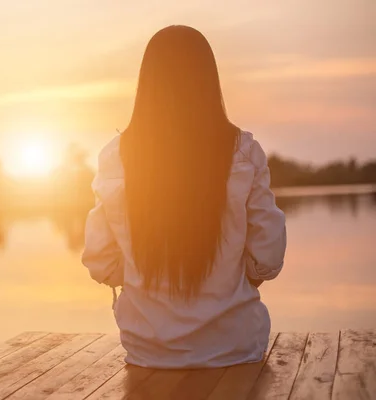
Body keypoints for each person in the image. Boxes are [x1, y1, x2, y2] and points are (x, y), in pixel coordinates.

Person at [81, 25, 286, 368]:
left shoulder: (115, 157)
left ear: (146, 84)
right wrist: (235, 278)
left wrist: (140, 278)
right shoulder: (244, 153)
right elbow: (268, 255)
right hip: (235, 348)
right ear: (209, 80)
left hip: (148, 352)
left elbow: (100, 261)